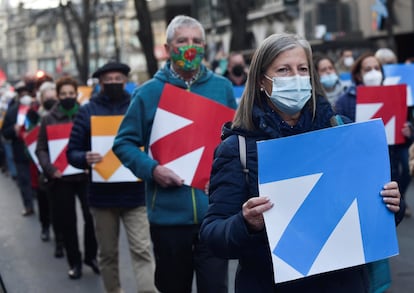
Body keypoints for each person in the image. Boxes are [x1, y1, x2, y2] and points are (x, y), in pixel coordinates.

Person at [199, 33, 403, 293]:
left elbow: (373, 216)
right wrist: (245, 223)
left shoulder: (341, 133)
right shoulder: (237, 148)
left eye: (302, 68)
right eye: (283, 69)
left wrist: (392, 204)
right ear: (262, 80)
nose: (295, 77)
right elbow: (213, 235)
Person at [113, 15, 237, 293]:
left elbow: (234, 141)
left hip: (214, 215)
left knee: (216, 287)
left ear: (205, 47)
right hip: (168, 218)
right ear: (168, 48)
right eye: (182, 41)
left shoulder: (223, 88)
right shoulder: (148, 93)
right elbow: (124, 143)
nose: (189, 47)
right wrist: (152, 170)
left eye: (196, 41)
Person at [67, 62, 157, 293]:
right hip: (102, 198)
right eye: (109, 79)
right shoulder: (87, 111)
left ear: (126, 81)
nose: (114, 83)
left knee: (142, 250)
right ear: (100, 83)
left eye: (119, 78)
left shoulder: (137, 106)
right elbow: (72, 152)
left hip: (135, 195)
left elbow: (153, 142)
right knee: (107, 255)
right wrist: (84, 157)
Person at [35, 76, 99, 279]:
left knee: (91, 217)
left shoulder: (86, 114)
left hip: (85, 174)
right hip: (61, 178)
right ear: (57, 95)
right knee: (67, 221)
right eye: (63, 94)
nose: (68, 97)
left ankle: (91, 256)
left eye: (71, 93)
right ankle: (75, 262)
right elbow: (41, 149)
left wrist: (92, 161)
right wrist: (50, 168)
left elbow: (94, 141)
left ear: (76, 94)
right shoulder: (48, 118)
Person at [375, 48, 412, 218]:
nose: (387, 67)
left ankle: (400, 196)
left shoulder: (406, 85)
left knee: (407, 169)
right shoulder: (369, 88)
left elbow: (410, 112)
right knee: (389, 173)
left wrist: (410, 127)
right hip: (381, 141)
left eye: (390, 63)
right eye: (384, 64)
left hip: (401, 138)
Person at [1, 81, 35, 216]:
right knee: (24, 179)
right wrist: (13, 130)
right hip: (20, 151)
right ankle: (28, 205)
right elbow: (5, 132)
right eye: (22, 93)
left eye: (26, 93)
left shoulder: (35, 108)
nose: (24, 96)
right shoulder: (12, 112)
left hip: (37, 151)